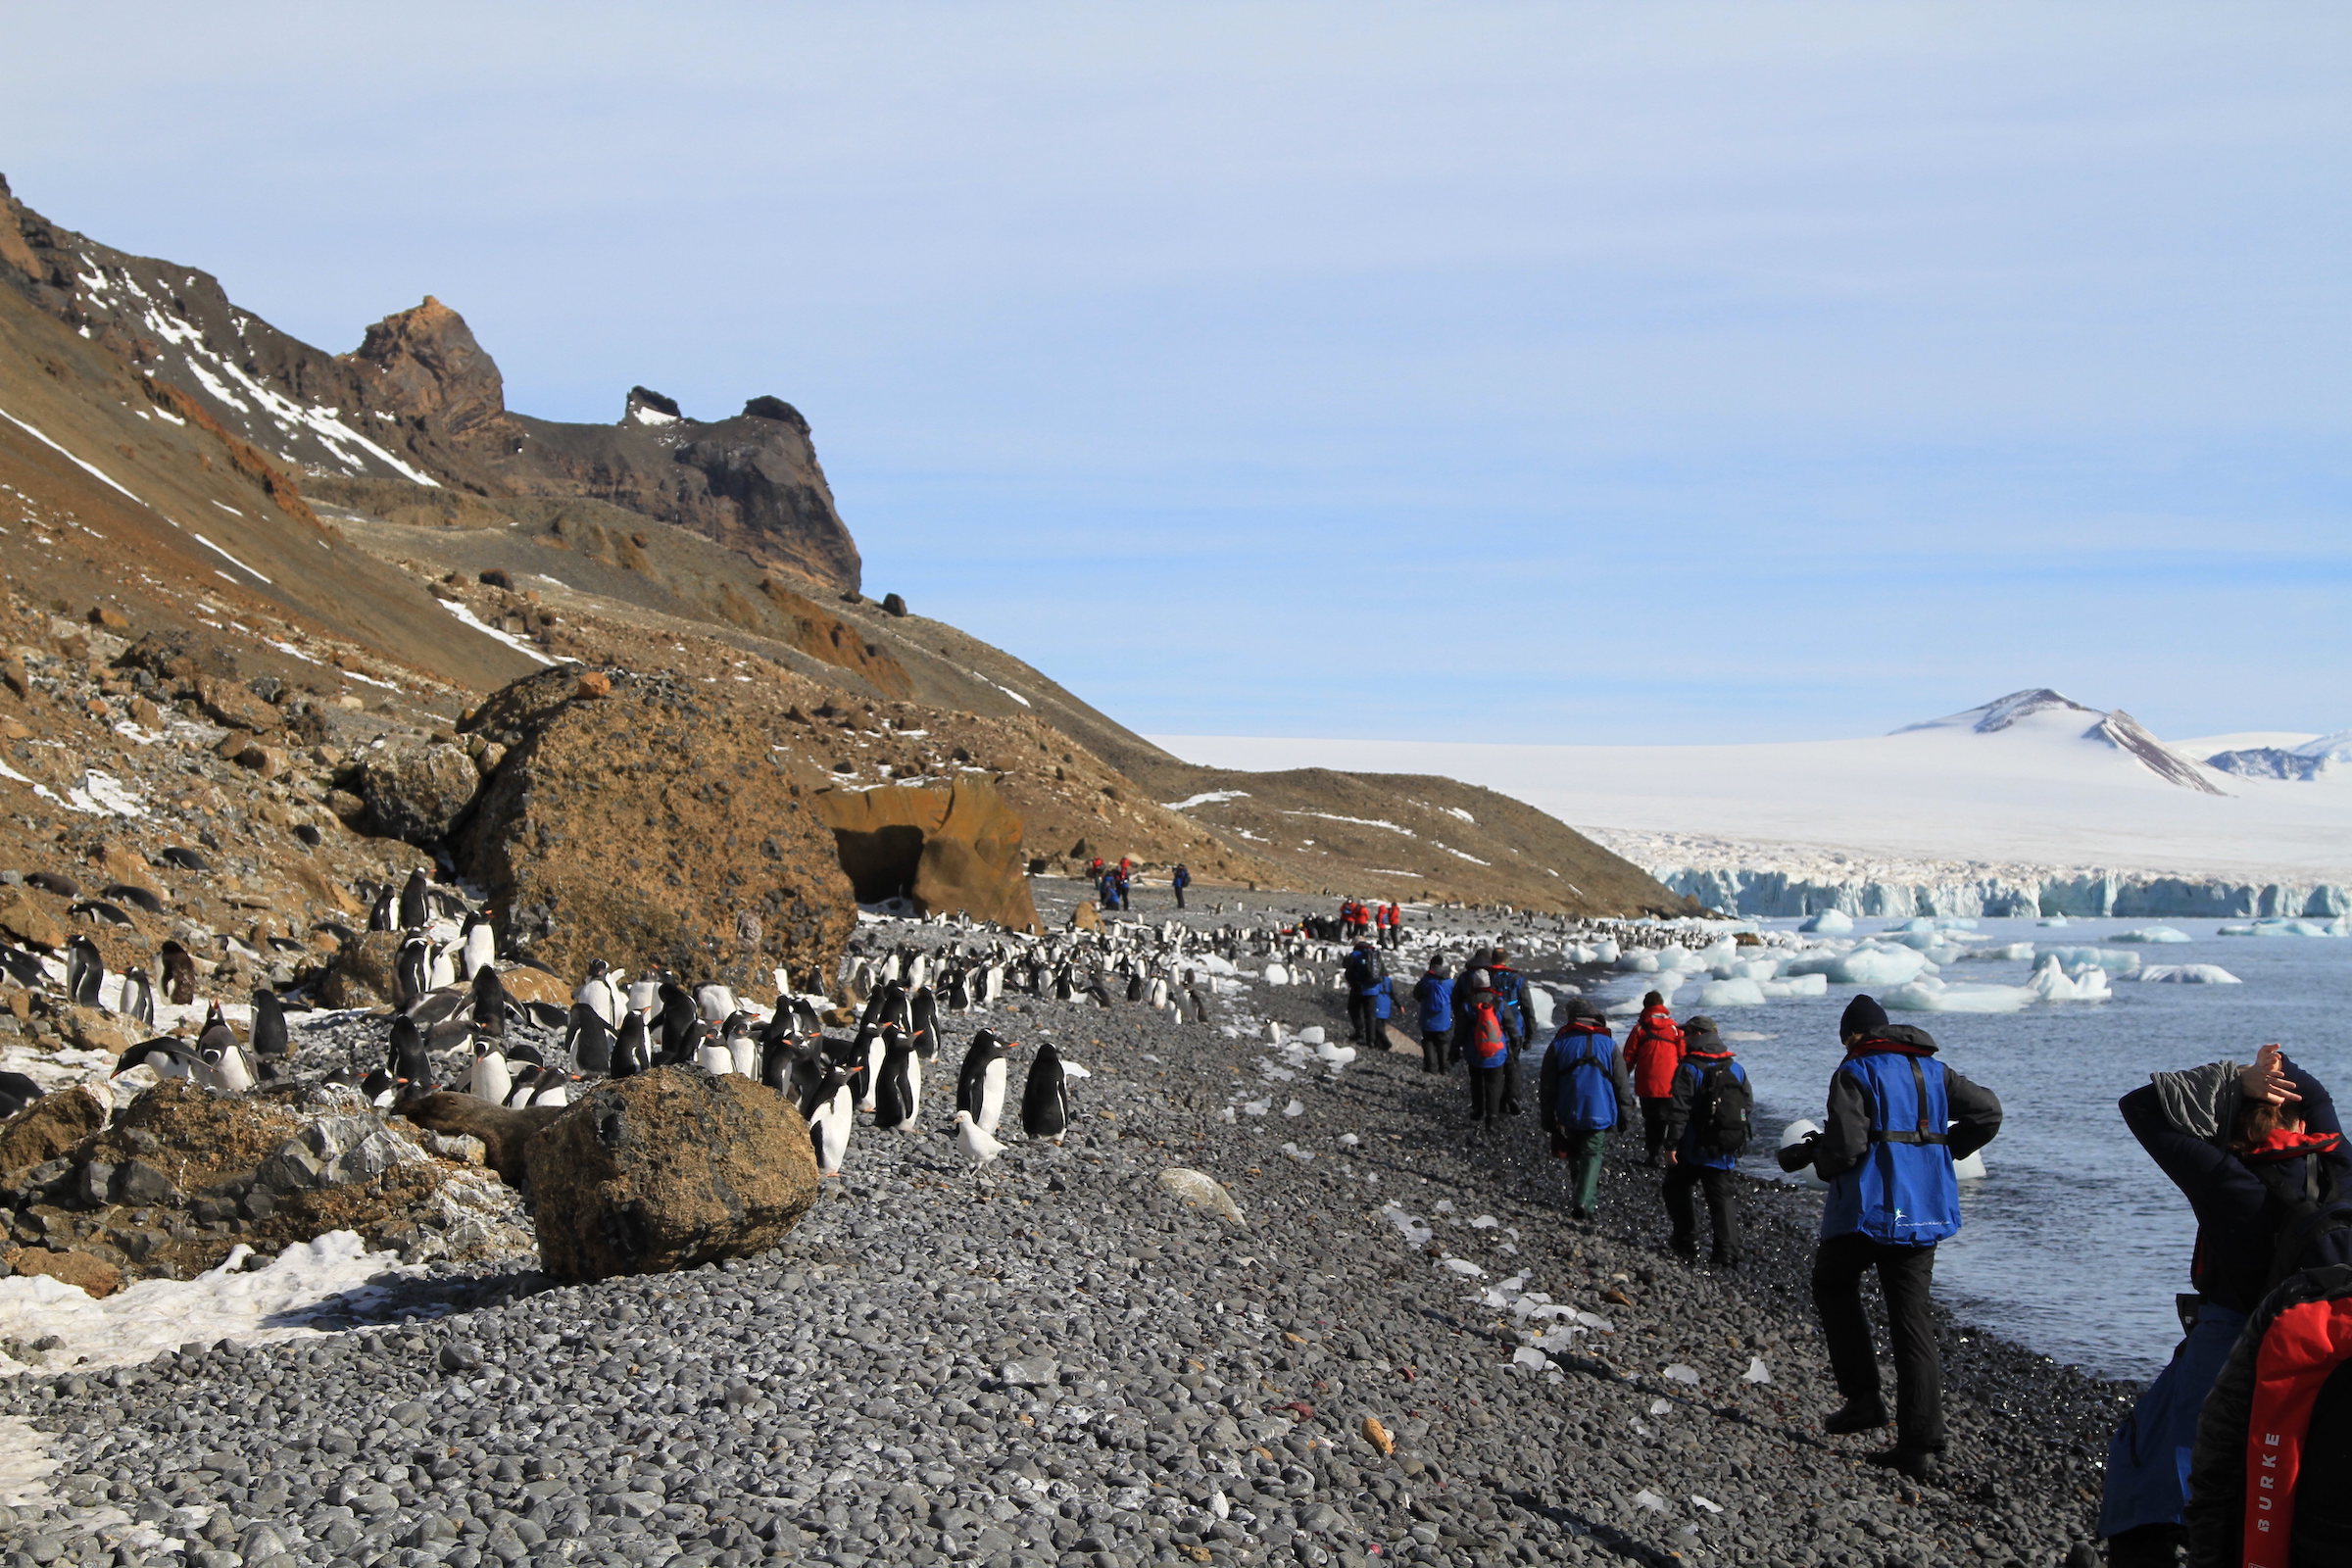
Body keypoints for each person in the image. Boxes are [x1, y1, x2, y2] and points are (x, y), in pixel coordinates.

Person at [2099, 1043, 2347, 1567]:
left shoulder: (2227, 1178)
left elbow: (2139, 1105)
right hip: (2332, 1340)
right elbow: (2317, 1097)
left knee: (2157, 1460)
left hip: (2236, 1341)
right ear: (2305, 1121)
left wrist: (2235, 1077)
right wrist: (2272, 1068)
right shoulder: (2341, 1163)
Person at [1781, 993, 2001, 1482]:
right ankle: (1919, 1444)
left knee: (1832, 1283)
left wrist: (1820, 1161)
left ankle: (1863, 1398)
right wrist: (1945, 1150)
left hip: (1871, 1211)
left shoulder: (1855, 1070)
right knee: (1911, 1321)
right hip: (1924, 1210)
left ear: (1851, 1035)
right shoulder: (1934, 1071)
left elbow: (1848, 1147)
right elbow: (1989, 1111)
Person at [1659, 1015, 1750, 1267]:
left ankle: (1686, 1240)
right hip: (1724, 1146)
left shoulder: (1689, 1068)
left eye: (1687, 1033)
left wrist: (1671, 1144)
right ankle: (1727, 1252)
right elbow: (1747, 1106)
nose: (1684, 1038)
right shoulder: (1735, 1067)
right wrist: (1736, 1133)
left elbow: (1679, 1110)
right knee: (1721, 1197)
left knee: (1675, 1187)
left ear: (1698, 1034)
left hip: (1693, 1147)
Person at [1539, 998, 1634, 1221]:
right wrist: (1625, 1114)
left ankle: (1583, 1199)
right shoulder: (1609, 1045)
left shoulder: (1558, 1044)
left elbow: (1547, 1086)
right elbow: (1621, 1083)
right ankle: (1583, 1201)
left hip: (1568, 1109)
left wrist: (1548, 1118)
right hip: (1600, 1110)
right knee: (1592, 1153)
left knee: (1574, 1153)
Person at [1623, 994, 1688, 1165]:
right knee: (1672, 1118)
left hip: (1647, 1083)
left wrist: (1620, 1080)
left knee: (1652, 1119)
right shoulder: (1675, 1029)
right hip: (1670, 1083)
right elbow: (1684, 1056)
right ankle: (1672, 1152)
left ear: (1645, 1007)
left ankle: (1654, 1154)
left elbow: (1628, 1057)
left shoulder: (1639, 1029)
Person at [1458, 969, 1512, 1129]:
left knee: (1476, 1080)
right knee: (1494, 1082)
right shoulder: (1499, 1002)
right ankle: (1492, 1117)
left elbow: (1460, 1030)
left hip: (1474, 1050)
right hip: (1496, 1051)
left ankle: (1478, 1109)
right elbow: (1510, 1024)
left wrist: (1455, 1047)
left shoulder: (1468, 1004)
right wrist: (1515, 1041)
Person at [1341, 938, 1389, 1047]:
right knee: (1370, 1015)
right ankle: (1371, 1040)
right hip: (1373, 990)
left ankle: (1359, 1032)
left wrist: (1353, 984)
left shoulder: (1355, 954)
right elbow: (1383, 972)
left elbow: (1348, 971)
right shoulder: (1375, 954)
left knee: (1353, 1009)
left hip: (1358, 988)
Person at [1412, 957, 1454, 1074]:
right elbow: (1455, 996)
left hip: (1427, 1017)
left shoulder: (1425, 980)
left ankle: (1430, 1067)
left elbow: (1416, 995)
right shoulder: (1448, 982)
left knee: (1428, 1040)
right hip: (1443, 1018)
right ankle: (1444, 1068)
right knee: (1443, 1042)